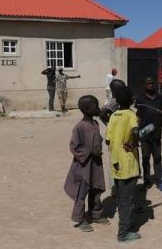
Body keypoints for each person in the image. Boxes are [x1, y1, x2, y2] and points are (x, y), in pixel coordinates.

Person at [64, 95, 109, 232]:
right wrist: (90, 152)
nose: (98, 107)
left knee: (96, 189)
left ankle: (95, 214)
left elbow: (98, 140)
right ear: (86, 109)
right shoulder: (79, 127)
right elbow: (74, 147)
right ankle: (80, 219)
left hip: (96, 164)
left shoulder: (95, 124)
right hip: (84, 166)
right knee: (82, 192)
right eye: (95, 105)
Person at [106, 86, 142, 242]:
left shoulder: (114, 115)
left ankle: (124, 226)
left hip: (115, 161)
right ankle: (123, 234)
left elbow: (107, 139)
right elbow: (135, 131)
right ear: (130, 100)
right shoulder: (130, 115)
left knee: (121, 198)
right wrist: (133, 142)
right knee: (127, 199)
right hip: (127, 162)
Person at [135, 77, 162, 191]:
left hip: (157, 133)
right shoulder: (140, 99)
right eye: (148, 84)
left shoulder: (159, 98)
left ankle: (159, 181)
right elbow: (138, 117)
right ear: (144, 85)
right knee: (145, 158)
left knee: (157, 157)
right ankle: (147, 181)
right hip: (145, 134)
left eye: (152, 83)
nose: (151, 85)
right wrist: (137, 133)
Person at [99, 79, 126, 196]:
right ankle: (116, 188)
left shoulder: (119, 100)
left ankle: (118, 186)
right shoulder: (115, 102)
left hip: (120, 136)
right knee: (116, 161)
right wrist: (112, 124)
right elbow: (103, 113)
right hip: (116, 138)